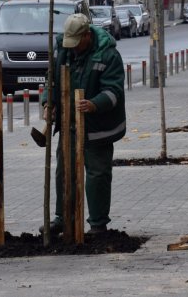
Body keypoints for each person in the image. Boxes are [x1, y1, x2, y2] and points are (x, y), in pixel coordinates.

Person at [40, 13, 126, 235]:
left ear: (87, 35)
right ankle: (62, 217)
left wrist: (94, 104)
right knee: (64, 173)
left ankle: (98, 224)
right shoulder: (63, 49)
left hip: (97, 128)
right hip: (69, 125)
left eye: (77, 43)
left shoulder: (108, 54)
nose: (74, 48)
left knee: (97, 174)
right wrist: (48, 103)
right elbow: (50, 79)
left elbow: (114, 91)